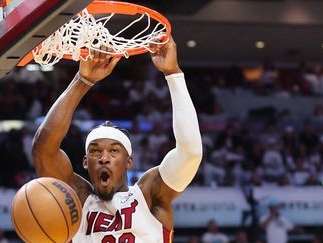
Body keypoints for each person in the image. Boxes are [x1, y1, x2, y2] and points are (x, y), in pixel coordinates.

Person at [32, 37, 203, 242]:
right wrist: (82, 80)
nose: (104, 158)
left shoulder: (149, 195)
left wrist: (173, 74)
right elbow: (43, 148)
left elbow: (191, 153)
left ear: (128, 161)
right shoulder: (76, 199)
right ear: (85, 162)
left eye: (114, 151)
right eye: (95, 151)